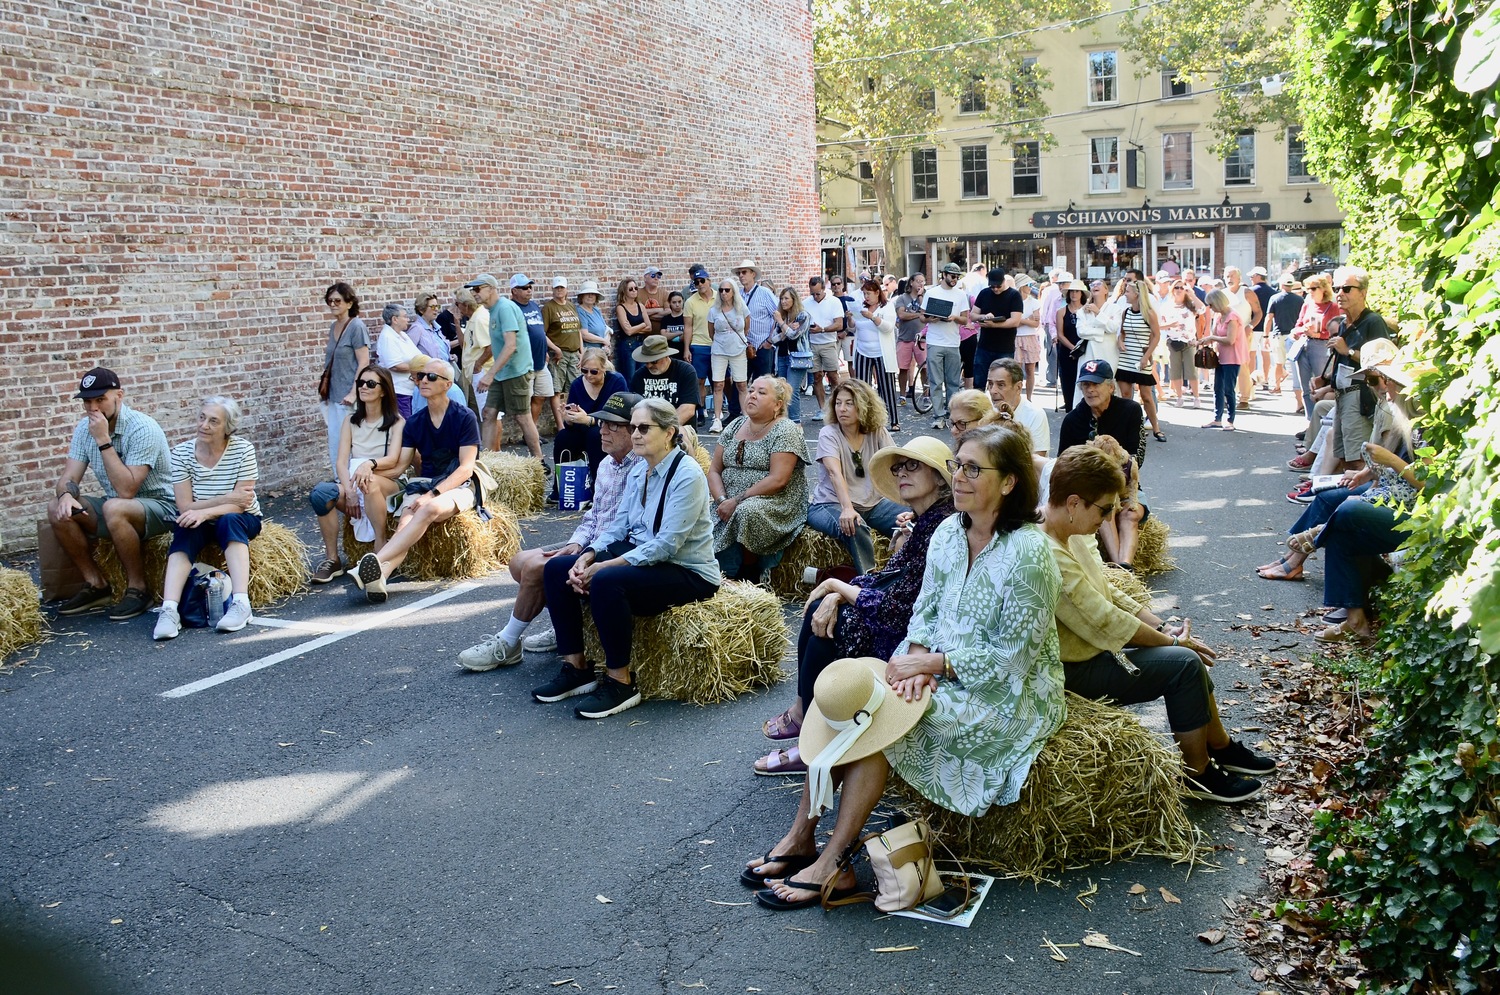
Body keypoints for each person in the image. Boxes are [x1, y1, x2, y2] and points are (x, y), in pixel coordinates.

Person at [745, 424, 1063, 910]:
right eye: (958, 464)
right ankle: (800, 837)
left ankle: (831, 861)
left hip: (1005, 697)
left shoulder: (1030, 552)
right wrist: (907, 662)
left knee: (878, 718)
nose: (958, 476)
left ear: (1010, 483)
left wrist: (930, 664)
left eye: (973, 468)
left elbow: (1014, 659)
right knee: (853, 694)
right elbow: (925, 612)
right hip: (935, 670)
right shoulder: (949, 534)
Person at [1043, 446, 1273, 802]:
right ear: (1073, 503)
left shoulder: (1068, 535)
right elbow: (1105, 621)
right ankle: (1196, 775)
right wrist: (1175, 645)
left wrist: (1164, 627)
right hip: (1068, 671)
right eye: (1105, 509)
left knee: (1184, 659)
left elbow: (1109, 594)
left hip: (1087, 653)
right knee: (1182, 666)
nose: (1109, 519)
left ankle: (1221, 747)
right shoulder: (1050, 552)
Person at [754, 437, 955, 776]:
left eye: (912, 465)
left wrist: (838, 587)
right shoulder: (924, 521)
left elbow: (899, 605)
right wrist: (836, 592)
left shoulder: (939, 526)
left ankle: (814, 740)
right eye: (898, 468)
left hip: (919, 636)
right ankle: (807, 717)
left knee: (836, 624)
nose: (901, 473)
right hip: (905, 618)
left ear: (938, 477)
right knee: (826, 609)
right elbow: (886, 577)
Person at [536, 397, 721, 719]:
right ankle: (576, 667)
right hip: (644, 559)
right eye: (633, 427)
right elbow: (618, 526)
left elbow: (667, 545)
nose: (635, 434)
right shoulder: (641, 470)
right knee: (556, 568)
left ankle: (621, 681)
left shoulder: (687, 474)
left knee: (607, 580)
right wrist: (588, 554)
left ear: (669, 433)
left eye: (644, 428)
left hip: (686, 570)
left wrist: (604, 566)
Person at [458, 391, 644, 670]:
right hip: (592, 543)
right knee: (519, 561)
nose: (602, 430)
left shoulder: (642, 466)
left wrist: (587, 550)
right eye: (602, 423)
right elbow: (594, 514)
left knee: (536, 568)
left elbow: (627, 526)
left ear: (635, 431)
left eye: (612, 426)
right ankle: (565, 624)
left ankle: (508, 642)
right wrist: (577, 541)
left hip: (615, 550)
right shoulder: (606, 463)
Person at [1257, 343, 1417, 583]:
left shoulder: (1399, 407)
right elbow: (1381, 458)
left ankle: (1297, 556)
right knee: (1327, 496)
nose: (1377, 386)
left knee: (1343, 504)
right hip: (1387, 482)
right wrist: (1365, 474)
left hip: (1397, 489)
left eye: (1377, 379)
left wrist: (1369, 476)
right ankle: (1292, 557)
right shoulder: (1389, 403)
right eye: (1371, 380)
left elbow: (1390, 459)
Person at [49, 367, 177, 621]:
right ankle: (96, 584)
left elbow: (127, 490)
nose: (93, 408)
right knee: (57, 508)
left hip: (162, 507)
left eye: (100, 399)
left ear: (119, 395)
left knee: (115, 506)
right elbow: (69, 477)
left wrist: (103, 441)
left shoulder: (142, 428)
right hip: (116, 508)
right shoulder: (84, 429)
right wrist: (65, 495)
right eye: (87, 401)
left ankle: (139, 589)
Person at [351, 360, 480, 604]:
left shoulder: (464, 417)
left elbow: (466, 469)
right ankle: (381, 575)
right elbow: (401, 465)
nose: (423, 380)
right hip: (424, 483)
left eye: (431, 377)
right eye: (420, 376)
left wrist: (433, 494)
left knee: (428, 507)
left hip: (459, 485)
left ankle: (374, 563)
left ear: (447, 384)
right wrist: (370, 465)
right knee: (405, 523)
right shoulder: (415, 422)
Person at [152, 396, 261, 640]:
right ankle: (169, 610)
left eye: (213, 421)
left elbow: (241, 505)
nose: (204, 425)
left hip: (242, 518)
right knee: (185, 527)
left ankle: (241, 604)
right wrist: (222, 500)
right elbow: (184, 506)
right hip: (200, 518)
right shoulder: (181, 453)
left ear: (227, 428)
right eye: (202, 418)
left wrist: (207, 510)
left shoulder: (243, 450)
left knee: (229, 521)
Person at [307, 365, 406, 583]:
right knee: (321, 494)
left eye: (370, 384)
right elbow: (341, 462)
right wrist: (349, 491)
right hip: (354, 481)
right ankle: (332, 560)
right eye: (360, 383)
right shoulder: (350, 421)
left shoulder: (397, 422)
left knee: (368, 482)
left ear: (383, 390)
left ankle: (380, 548)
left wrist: (368, 465)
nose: (363, 387)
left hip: (386, 482)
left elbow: (392, 459)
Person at [709, 376, 811, 582]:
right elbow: (714, 470)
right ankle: (714, 573)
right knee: (702, 517)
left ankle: (748, 573)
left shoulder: (785, 430)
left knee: (746, 512)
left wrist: (736, 501)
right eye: (752, 390)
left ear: (778, 405)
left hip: (775, 501)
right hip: (728, 500)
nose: (752, 395)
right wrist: (721, 501)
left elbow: (778, 480)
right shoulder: (736, 424)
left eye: (762, 393)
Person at [806, 380, 899, 575]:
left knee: (911, 521)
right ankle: (870, 578)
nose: (842, 409)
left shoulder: (877, 431)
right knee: (854, 526)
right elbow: (834, 473)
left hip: (872, 504)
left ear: (864, 406)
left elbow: (896, 463)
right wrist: (847, 508)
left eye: (849, 403)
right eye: (838, 403)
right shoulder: (828, 433)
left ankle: (903, 573)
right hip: (830, 504)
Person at [1323, 267, 1385, 471]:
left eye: (1347, 288)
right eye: (1337, 288)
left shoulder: (1373, 322)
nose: (1340, 294)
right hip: (1342, 395)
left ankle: (1359, 499)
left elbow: (1382, 362)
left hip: (1360, 397)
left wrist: (1348, 351)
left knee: (1358, 458)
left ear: (1363, 292)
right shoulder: (1343, 323)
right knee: (1342, 455)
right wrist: (1326, 381)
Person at [472, 273, 536, 455]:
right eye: (473, 290)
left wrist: (489, 374)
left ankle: (539, 461)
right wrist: (481, 363)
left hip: (516, 371)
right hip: (502, 372)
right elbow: (497, 344)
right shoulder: (491, 311)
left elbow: (510, 345)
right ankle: (487, 459)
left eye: (478, 289)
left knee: (522, 416)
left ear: (491, 289)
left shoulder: (505, 308)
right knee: (488, 413)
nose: (474, 293)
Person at [553, 347, 628, 486]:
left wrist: (589, 420)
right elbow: (573, 422)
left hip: (610, 429)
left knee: (595, 435)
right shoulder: (577, 384)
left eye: (594, 371)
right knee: (563, 437)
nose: (588, 375)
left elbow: (619, 415)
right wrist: (569, 418)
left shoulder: (616, 381)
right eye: (584, 370)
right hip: (581, 430)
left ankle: (598, 487)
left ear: (604, 368)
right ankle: (562, 487)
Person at [319, 281, 372, 474]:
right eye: (330, 301)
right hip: (333, 395)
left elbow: (364, 362)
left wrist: (354, 392)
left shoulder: (356, 326)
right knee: (335, 441)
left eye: (337, 301)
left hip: (348, 397)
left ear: (349, 303)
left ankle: (353, 483)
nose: (333, 304)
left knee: (350, 443)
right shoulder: (334, 326)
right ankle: (338, 481)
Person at [1059, 360, 1146, 467]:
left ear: (1111, 387)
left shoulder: (1130, 410)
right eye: (1086, 385)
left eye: (1096, 384)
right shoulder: (1072, 420)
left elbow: (1137, 457)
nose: (1090, 390)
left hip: (1121, 480)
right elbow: (1062, 462)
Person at [1289, 273, 1341, 448]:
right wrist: (1300, 330)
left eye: (1312, 288)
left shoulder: (1332, 307)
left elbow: (1336, 330)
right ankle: (1310, 423)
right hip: (1304, 344)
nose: (1309, 292)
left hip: (1321, 346)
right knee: (1305, 387)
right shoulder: (1307, 305)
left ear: (1323, 289)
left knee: (1320, 383)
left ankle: (1319, 424)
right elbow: (1297, 325)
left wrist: (1319, 334)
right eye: (1307, 289)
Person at [921, 262, 972, 430]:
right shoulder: (932, 292)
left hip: (952, 342)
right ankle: (938, 415)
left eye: (957, 277)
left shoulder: (960, 294)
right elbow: (922, 317)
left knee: (953, 381)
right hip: (935, 341)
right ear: (944, 275)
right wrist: (931, 319)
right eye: (952, 276)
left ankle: (952, 415)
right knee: (936, 381)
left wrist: (954, 318)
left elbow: (965, 319)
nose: (955, 279)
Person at [511, 274, 559, 447]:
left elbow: (540, 332)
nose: (529, 290)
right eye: (525, 288)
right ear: (514, 291)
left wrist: (549, 349)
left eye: (530, 286)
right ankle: (529, 435)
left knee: (541, 396)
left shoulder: (533, 305)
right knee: (525, 400)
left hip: (540, 361)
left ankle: (532, 432)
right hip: (525, 364)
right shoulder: (512, 308)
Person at [1114, 280, 1165, 442]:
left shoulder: (1149, 313)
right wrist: (1120, 341)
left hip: (1141, 357)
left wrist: (1146, 356)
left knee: (1146, 395)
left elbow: (1157, 336)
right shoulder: (1126, 312)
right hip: (1126, 358)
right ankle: (1127, 428)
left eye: (1128, 291)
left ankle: (1156, 428)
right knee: (1126, 395)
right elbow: (1122, 332)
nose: (1125, 294)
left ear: (1136, 294)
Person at [847, 279, 900, 431]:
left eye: (868, 293)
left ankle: (894, 420)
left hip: (881, 352)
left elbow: (888, 328)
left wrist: (872, 317)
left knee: (887, 386)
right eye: (864, 294)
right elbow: (853, 328)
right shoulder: (861, 307)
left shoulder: (887, 306)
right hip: (863, 350)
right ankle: (864, 420)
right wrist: (850, 318)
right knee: (862, 387)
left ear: (877, 292)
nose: (866, 297)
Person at [707, 280, 752, 433]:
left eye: (727, 290)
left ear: (733, 292)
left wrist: (735, 338)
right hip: (719, 349)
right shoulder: (714, 310)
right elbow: (711, 332)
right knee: (718, 384)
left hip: (738, 349)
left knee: (742, 384)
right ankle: (717, 419)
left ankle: (746, 418)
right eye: (721, 290)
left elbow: (746, 327)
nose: (723, 293)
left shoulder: (742, 308)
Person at [1201, 289, 1248, 431]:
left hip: (1232, 357)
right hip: (1221, 356)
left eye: (1211, 304)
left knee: (1229, 389)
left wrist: (1211, 338)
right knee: (1218, 388)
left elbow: (1230, 340)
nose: (1210, 307)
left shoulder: (1232, 316)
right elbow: (1214, 334)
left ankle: (1230, 420)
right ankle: (1217, 419)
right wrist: (1201, 341)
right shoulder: (1218, 316)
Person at [984, 358, 1049, 455]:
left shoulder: (1035, 415)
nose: (993, 391)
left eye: (1001, 385)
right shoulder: (984, 409)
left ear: (1018, 387)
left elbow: (1037, 460)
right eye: (990, 384)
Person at [630, 335, 699, 424]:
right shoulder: (639, 375)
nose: (649, 365)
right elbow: (635, 408)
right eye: (646, 362)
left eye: (654, 361)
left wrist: (664, 430)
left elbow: (688, 409)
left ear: (666, 356)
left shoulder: (685, 371)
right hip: (648, 429)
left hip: (680, 427)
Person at [802, 275, 846, 414]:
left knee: (833, 376)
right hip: (812, 344)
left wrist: (822, 329)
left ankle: (836, 406)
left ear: (824, 288)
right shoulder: (806, 303)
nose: (815, 296)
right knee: (816, 377)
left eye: (818, 293)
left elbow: (839, 324)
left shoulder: (834, 301)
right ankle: (822, 408)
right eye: (812, 293)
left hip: (828, 342)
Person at [543, 276, 585, 423]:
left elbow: (578, 330)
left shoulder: (571, 306)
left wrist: (582, 351)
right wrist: (555, 349)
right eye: (557, 288)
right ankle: (561, 425)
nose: (559, 290)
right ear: (553, 289)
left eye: (562, 287)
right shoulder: (549, 308)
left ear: (567, 289)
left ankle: (573, 420)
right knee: (557, 390)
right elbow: (543, 333)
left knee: (575, 388)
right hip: (558, 355)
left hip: (574, 354)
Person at [1160, 279, 1205, 408]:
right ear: (1172, 290)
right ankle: (1179, 397)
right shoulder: (1166, 306)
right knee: (1175, 371)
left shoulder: (1190, 305)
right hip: (1173, 342)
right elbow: (1158, 325)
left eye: (1182, 288)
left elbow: (1202, 309)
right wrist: (1170, 325)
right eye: (1176, 287)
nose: (1179, 290)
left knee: (1192, 370)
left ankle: (1196, 397)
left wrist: (1192, 294)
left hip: (1189, 341)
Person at [972, 267, 1023, 380]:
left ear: (1004, 281)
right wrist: (984, 316)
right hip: (984, 346)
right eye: (992, 286)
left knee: (1003, 381)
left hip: (1005, 347)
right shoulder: (984, 293)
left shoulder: (1014, 295)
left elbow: (1015, 321)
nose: (995, 289)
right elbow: (973, 315)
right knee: (979, 380)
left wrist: (994, 325)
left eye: (998, 286)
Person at [771, 288, 812, 426]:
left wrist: (782, 324)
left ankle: (796, 423)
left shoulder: (803, 316)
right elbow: (774, 339)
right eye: (781, 298)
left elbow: (794, 335)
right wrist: (786, 327)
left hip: (798, 357)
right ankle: (783, 422)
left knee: (792, 391)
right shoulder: (784, 317)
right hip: (782, 357)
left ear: (794, 300)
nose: (783, 301)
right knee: (781, 391)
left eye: (786, 298)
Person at [683, 265, 716, 424]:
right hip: (699, 344)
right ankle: (701, 411)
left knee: (720, 381)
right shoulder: (690, 302)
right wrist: (687, 348)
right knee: (700, 381)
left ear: (709, 281)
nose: (700, 284)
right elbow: (688, 326)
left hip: (718, 345)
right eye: (696, 282)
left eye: (702, 280)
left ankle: (720, 413)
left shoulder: (720, 297)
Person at [736, 259, 778, 381]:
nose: (741, 275)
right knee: (740, 383)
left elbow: (778, 316)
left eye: (744, 272)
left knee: (763, 385)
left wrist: (770, 341)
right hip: (743, 347)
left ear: (753, 274)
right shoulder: (737, 295)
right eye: (739, 273)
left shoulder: (764, 293)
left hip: (762, 347)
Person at [1263, 273, 1302, 402]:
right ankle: (1299, 387)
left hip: (1279, 334)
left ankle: (1277, 386)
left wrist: (1266, 335)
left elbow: (1269, 318)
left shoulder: (1275, 298)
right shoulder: (1300, 300)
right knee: (1296, 363)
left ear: (1281, 284)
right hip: (1295, 335)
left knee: (1279, 363)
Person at [892, 272, 927, 401]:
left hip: (921, 338)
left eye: (923, 281)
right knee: (903, 368)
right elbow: (902, 315)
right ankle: (902, 394)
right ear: (911, 282)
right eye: (918, 281)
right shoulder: (901, 298)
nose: (921, 284)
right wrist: (918, 315)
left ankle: (926, 395)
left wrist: (921, 297)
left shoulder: (925, 297)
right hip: (904, 337)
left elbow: (927, 314)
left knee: (924, 368)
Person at [1055, 280, 1089, 413]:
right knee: (1067, 382)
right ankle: (1070, 409)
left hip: (1085, 350)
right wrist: (1073, 348)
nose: (1074, 294)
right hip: (1067, 351)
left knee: (1083, 380)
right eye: (1072, 291)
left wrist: (1080, 349)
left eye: (1077, 291)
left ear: (1082, 293)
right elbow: (1060, 334)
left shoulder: (1087, 310)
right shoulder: (1061, 311)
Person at [615, 276, 652, 385]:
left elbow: (649, 327)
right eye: (630, 289)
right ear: (624, 291)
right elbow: (628, 331)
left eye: (636, 288)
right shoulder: (621, 308)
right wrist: (642, 325)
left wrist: (635, 328)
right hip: (628, 345)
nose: (634, 291)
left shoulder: (640, 305)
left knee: (643, 375)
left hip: (641, 343)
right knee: (630, 377)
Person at [1014, 276, 1044, 400]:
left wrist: (1021, 321)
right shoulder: (1014, 301)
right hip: (1016, 337)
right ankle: (1017, 397)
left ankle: (1029, 397)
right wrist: (1028, 319)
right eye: (1029, 285)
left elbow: (1036, 323)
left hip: (1030, 337)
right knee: (1017, 370)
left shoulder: (1034, 302)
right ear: (1022, 286)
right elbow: (1014, 323)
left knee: (1030, 369)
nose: (1031, 288)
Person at [409, 292, 452, 362]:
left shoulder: (436, 327)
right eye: (432, 307)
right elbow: (409, 354)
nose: (436, 309)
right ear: (421, 310)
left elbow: (439, 351)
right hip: (429, 371)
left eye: (437, 306)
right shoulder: (417, 328)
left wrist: (449, 356)